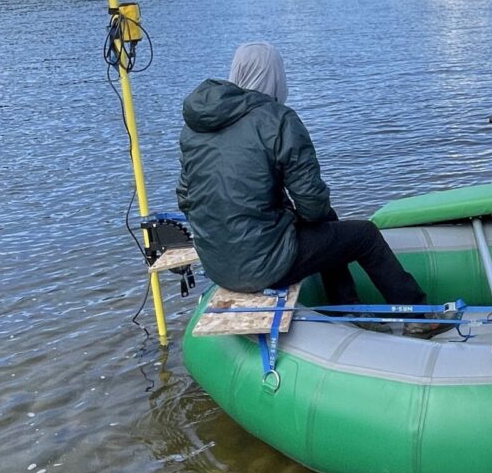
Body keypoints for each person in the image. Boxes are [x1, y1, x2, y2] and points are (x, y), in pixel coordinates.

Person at [176, 42, 445, 338]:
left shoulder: (194, 127)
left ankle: (349, 309)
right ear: (276, 76)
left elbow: (185, 197)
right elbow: (313, 204)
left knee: (326, 227)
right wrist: (293, 214)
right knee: (363, 235)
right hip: (263, 263)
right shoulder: (278, 119)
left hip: (217, 264)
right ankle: (419, 316)